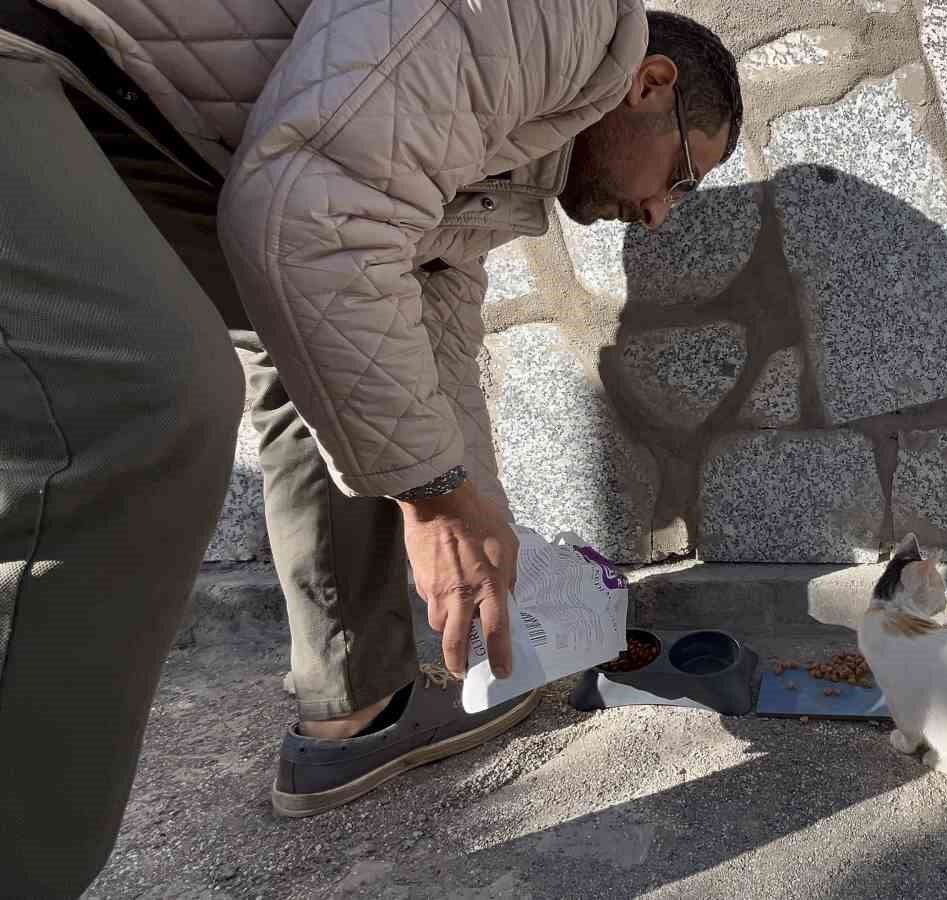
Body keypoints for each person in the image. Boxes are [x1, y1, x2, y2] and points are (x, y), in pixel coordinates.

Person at [0, 0, 741, 894]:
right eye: (686, 174)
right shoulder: (562, 22)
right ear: (650, 84)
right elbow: (311, 209)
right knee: (148, 401)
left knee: (352, 369)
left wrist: (478, 521)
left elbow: (431, 349)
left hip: (132, 129)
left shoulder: (512, 167)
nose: (661, 212)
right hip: (36, 54)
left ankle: (356, 709)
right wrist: (432, 493)